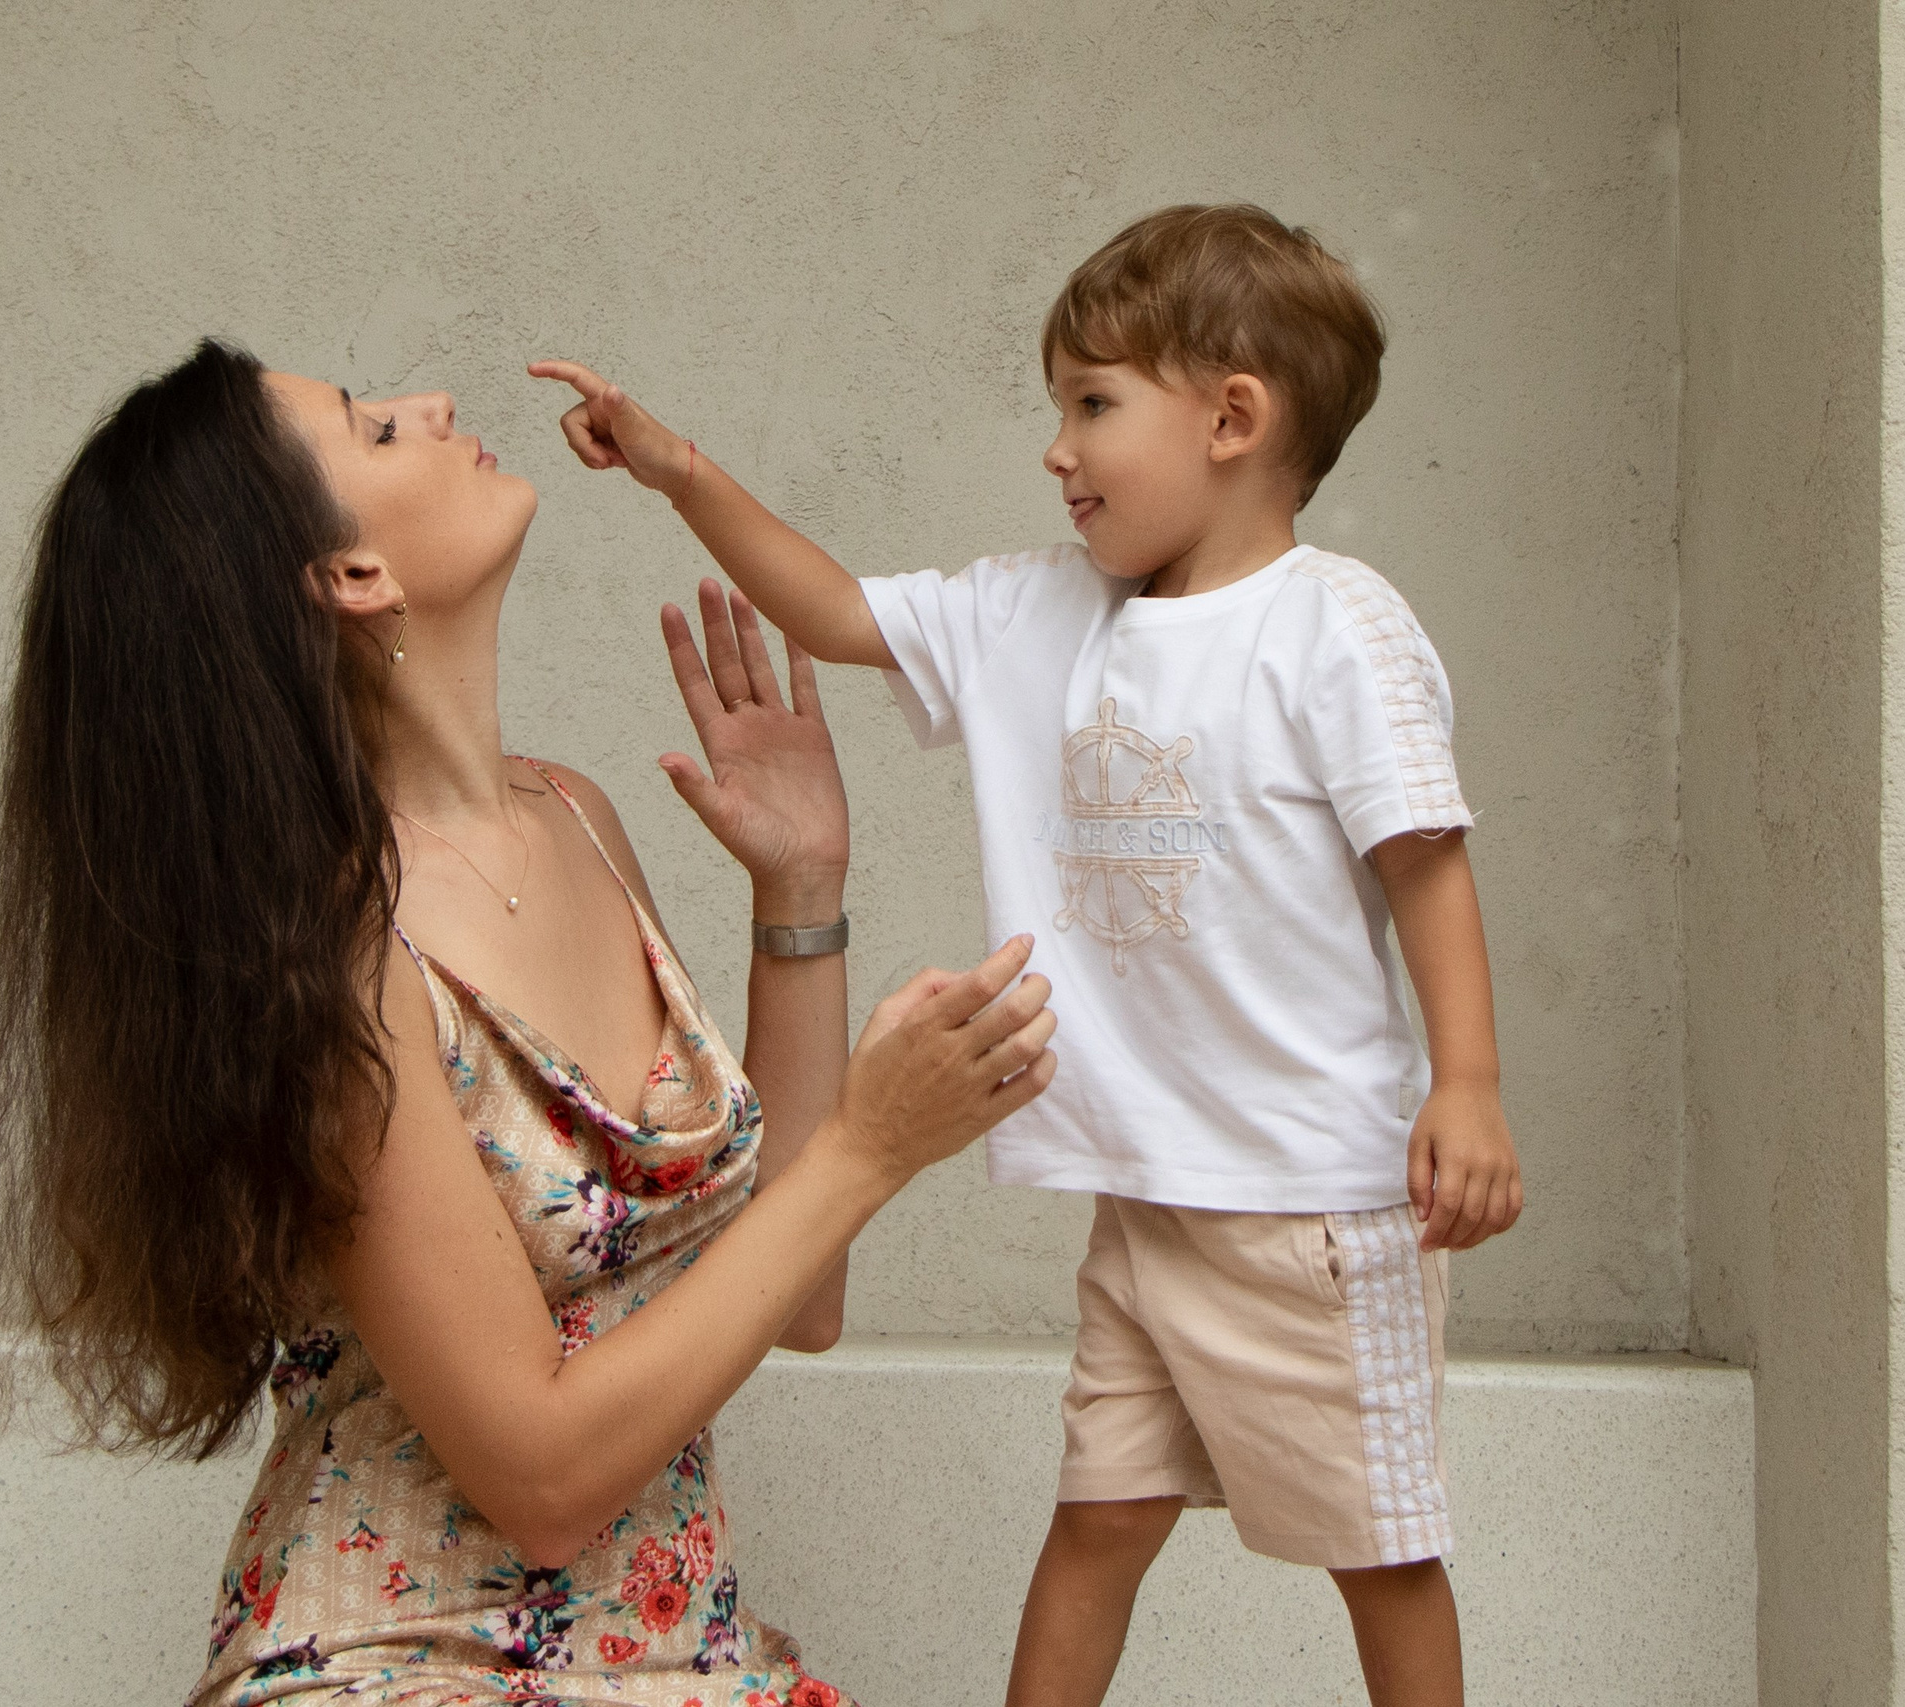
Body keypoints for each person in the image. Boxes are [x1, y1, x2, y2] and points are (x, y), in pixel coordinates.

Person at [0, 338, 1058, 1706]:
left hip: (678, 1659)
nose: (436, 406)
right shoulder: (329, 952)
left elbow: (794, 1295)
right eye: (379, 431)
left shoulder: (578, 818)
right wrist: (872, 1150)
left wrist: (801, 893)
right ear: (352, 576)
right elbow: (541, 1477)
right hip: (403, 1669)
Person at [532, 201, 1524, 1707]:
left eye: (1094, 405)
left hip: (1307, 1200)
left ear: (1234, 418)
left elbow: (1426, 861)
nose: (1057, 448)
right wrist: (680, 475)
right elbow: (841, 609)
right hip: (1145, 1199)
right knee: (1098, 1522)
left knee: (1379, 1548)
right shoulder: (1040, 614)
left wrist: (1470, 1084)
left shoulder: (1335, 630)